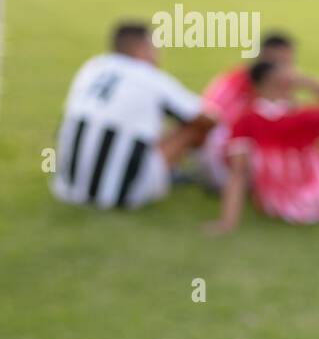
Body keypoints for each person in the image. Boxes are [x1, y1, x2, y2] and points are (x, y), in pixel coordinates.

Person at [52, 21, 215, 210]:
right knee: (192, 129)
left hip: (66, 187)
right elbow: (208, 118)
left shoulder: (92, 67)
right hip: (121, 195)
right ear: (142, 48)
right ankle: (197, 175)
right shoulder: (149, 77)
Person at [208, 59, 319, 233]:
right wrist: (308, 82)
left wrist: (227, 223)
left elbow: (237, 174)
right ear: (282, 83)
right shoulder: (306, 117)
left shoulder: (245, 120)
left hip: (273, 205)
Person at [198, 32, 319, 189]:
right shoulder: (240, 87)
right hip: (228, 165)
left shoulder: (274, 96)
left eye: (288, 63)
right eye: (281, 64)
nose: (287, 71)